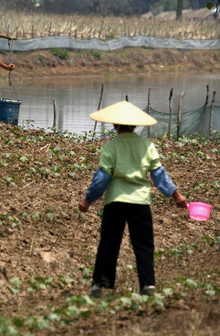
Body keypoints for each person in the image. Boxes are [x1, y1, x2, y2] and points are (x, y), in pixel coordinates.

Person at [77, 101, 187, 298]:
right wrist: (176, 195)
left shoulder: (111, 147)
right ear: (134, 125)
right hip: (140, 203)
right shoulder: (147, 146)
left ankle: (99, 286)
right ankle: (148, 285)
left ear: (114, 125)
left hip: (115, 202)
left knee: (109, 244)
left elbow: (102, 178)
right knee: (144, 245)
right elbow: (159, 175)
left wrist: (88, 200)